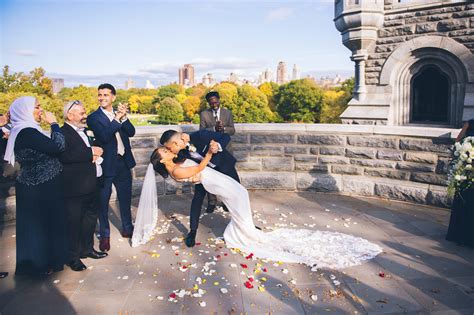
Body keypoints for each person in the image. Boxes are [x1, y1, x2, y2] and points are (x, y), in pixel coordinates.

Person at [133, 144, 383, 270]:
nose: (168, 150)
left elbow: (187, 155)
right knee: (239, 197)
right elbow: (198, 169)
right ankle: (243, 233)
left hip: (214, 179)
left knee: (241, 195)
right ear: (160, 159)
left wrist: (191, 147)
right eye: (164, 150)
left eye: (166, 147)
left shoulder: (174, 161)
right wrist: (208, 153)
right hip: (211, 180)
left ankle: (242, 229)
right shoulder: (174, 168)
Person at [4, 96, 66, 275]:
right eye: (37, 107)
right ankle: (38, 264)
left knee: (39, 226)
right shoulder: (27, 132)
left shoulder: (23, 130)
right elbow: (58, 147)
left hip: (37, 186)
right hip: (39, 187)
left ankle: (42, 262)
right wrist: (54, 124)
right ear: (24, 111)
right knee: (39, 227)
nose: (40, 110)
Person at [159, 129, 239, 247]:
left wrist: (217, 146)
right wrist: (192, 176)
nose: (169, 150)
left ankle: (246, 224)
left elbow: (226, 136)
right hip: (204, 174)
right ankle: (192, 231)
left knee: (238, 194)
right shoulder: (180, 153)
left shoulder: (200, 135)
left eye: (169, 147)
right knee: (197, 199)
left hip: (224, 167)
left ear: (175, 142)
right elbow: (175, 168)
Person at [87, 83, 136, 252]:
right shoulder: (93, 118)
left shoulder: (119, 115)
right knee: (103, 201)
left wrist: (123, 117)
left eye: (106, 95)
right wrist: (116, 119)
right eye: (100, 95)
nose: (102, 98)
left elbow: (131, 132)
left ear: (113, 97)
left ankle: (127, 227)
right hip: (106, 164)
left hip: (123, 163)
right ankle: (105, 235)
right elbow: (104, 136)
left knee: (125, 198)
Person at [59, 101, 108, 271]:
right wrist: (90, 153)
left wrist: (96, 152)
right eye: (81, 113)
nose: (85, 115)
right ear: (69, 115)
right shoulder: (61, 132)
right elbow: (65, 155)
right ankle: (72, 257)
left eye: (84, 111)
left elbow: (97, 145)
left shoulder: (86, 131)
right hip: (75, 186)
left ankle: (87, 249)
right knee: (73, 223)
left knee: (90, 219)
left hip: (92, 183)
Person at [199, 91, 236, 213]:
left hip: (226, 150)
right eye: (211, 102)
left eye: (215, 101)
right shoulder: (204, 114)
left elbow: (232, 130)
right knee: (211, 177)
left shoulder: (228, 113)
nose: (214, 104)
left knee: (227, 177)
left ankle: (226, 202)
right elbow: (202, 132)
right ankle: (211, 202)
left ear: (219, 100)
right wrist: (214, 129)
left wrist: (224, 129)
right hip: (212, 150)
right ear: (208, 102)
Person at [446, 119, 474, 247]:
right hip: (466, 170)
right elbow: (458, 141)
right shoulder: (470, 123)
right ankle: (460, 234)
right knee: (465, 200)